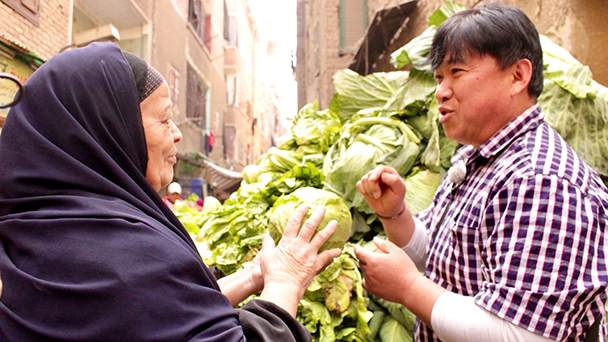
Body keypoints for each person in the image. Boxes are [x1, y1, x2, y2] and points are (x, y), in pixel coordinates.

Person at [0, 42, 342, 341]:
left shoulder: (37, 231)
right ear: (112, 131)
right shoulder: (122, 256)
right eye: (164, 120)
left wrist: (255, 275)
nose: (177, 133)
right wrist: (286, 283)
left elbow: (161, 315)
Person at [354, 3, 608, 342]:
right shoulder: (478, 158)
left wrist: (407, 287)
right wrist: (396, 214)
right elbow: (447, 257)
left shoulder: (541, 180)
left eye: (456, 72)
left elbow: (520, 333)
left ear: (518, 76)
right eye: (439, 77)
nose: (441, 91)